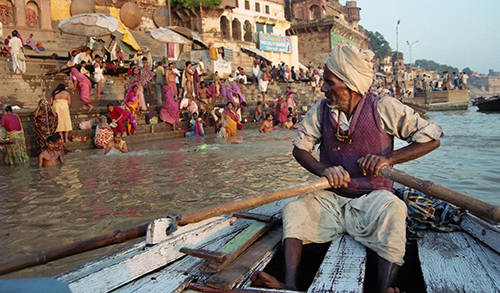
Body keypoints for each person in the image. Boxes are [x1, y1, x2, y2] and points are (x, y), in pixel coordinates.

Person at [251, 43, 443, 293]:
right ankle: (289, 284)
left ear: (350, 83)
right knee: (295, 209)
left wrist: (388, 159)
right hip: (331, 199)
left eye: (329, 82)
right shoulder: (321, 111)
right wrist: (323, 171)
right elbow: (300, 148)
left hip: (372, 200)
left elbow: (431, 137)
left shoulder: (383, 107)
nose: (323, 88)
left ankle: (385, 288)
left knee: (395, 210)